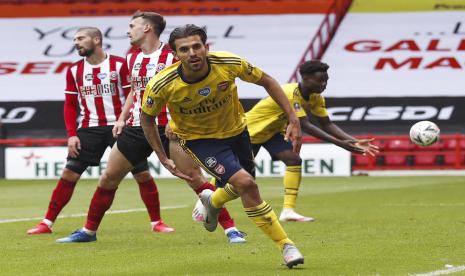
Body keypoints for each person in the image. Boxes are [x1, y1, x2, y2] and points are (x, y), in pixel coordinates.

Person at [57, 12, 245, 244]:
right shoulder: (131, 57)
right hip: (137, 127)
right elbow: (135, 92)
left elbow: (188, 91)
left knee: (194, 178)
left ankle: (231, 230)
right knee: (108, 178)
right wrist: (122, 118)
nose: (128, 31)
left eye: (132, 26)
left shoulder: (173, 55)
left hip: (169, 127)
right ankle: (88, 231)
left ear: (147, 28)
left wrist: (176, 122)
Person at [141, 24, 304, 268]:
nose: (192, 53)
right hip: (200, 141)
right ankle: (287, 246)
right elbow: (146, 119)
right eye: (184, 49)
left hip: (238, 131)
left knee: (242, 186)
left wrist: (292, 117)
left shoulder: (228, 63)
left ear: (206, 47)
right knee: (246, 184)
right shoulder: (162, 84)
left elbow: (267, 81)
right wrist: (163, 156)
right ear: (175, 55)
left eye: (197, 46)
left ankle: (213, 201)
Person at [26, 27, 166, 235]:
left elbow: (133, 95)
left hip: (121, 128)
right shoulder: (74, 70)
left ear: (97, 40)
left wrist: (125, 121)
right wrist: (72, 134)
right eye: (75, 39)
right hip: (89, 128)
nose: (76, 42)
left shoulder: (120, 65)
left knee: (143, 174)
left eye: (81, 38)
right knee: (69, 174)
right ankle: (46, 223)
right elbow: (70, 105)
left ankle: (157, 223)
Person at [245, 60, 379, 222]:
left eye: (326, 80)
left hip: (273, 132)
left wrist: (353, 141)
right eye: (320, 80)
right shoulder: (290, 92)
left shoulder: (316, 98)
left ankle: (288, 211)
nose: (324, 84)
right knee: (239, 174)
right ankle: (207, 200)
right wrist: (341, 144)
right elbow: (304, 124)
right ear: (305, 78)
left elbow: (327, 124)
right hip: (249, 132)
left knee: (293, 159)